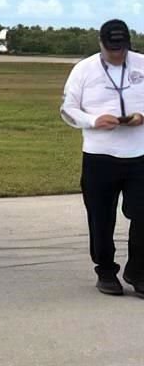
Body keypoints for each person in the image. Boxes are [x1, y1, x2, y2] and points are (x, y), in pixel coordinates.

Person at [60, 18, 144, 297]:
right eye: (111, 49)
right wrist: (94, 120)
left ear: (128, 44)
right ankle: (106, 271)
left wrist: (141, 117)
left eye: (120, 49)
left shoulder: (142, 64)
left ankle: (138, 271)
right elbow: (68, 110)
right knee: (100, 217)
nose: (116, 54)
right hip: (100, 156)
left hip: (139, 154)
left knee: (142, 214)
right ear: (101, 44)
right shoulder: (83, 70)